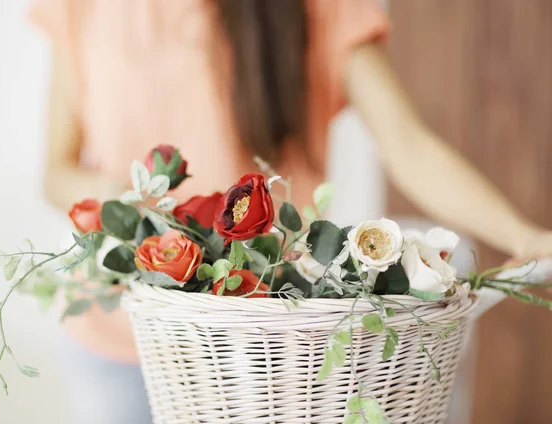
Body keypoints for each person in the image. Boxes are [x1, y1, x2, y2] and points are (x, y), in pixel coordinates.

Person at [30, 1, 552, 423]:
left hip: (260, 356)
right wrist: (119, 202)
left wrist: (525, 236)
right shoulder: (84, 7)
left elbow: (409, 146)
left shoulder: (317, 10)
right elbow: (56, 171)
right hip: (117, 333)